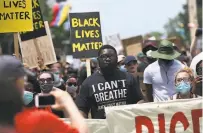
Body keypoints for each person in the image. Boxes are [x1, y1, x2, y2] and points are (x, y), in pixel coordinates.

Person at [0, 55, 87, 133]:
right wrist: (68, 102)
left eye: (48, 80)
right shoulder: (38, 120)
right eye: (24, 79)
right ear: (19, 83)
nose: (45, 83)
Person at [76, 45, 144, 119]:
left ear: (117, 58)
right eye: (103, 56)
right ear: (98, 60)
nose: (107, 59)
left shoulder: (128, 78)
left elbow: (139, 101)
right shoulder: (88, 83)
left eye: (111, 56)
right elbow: (82, 109)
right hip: (102, 128)